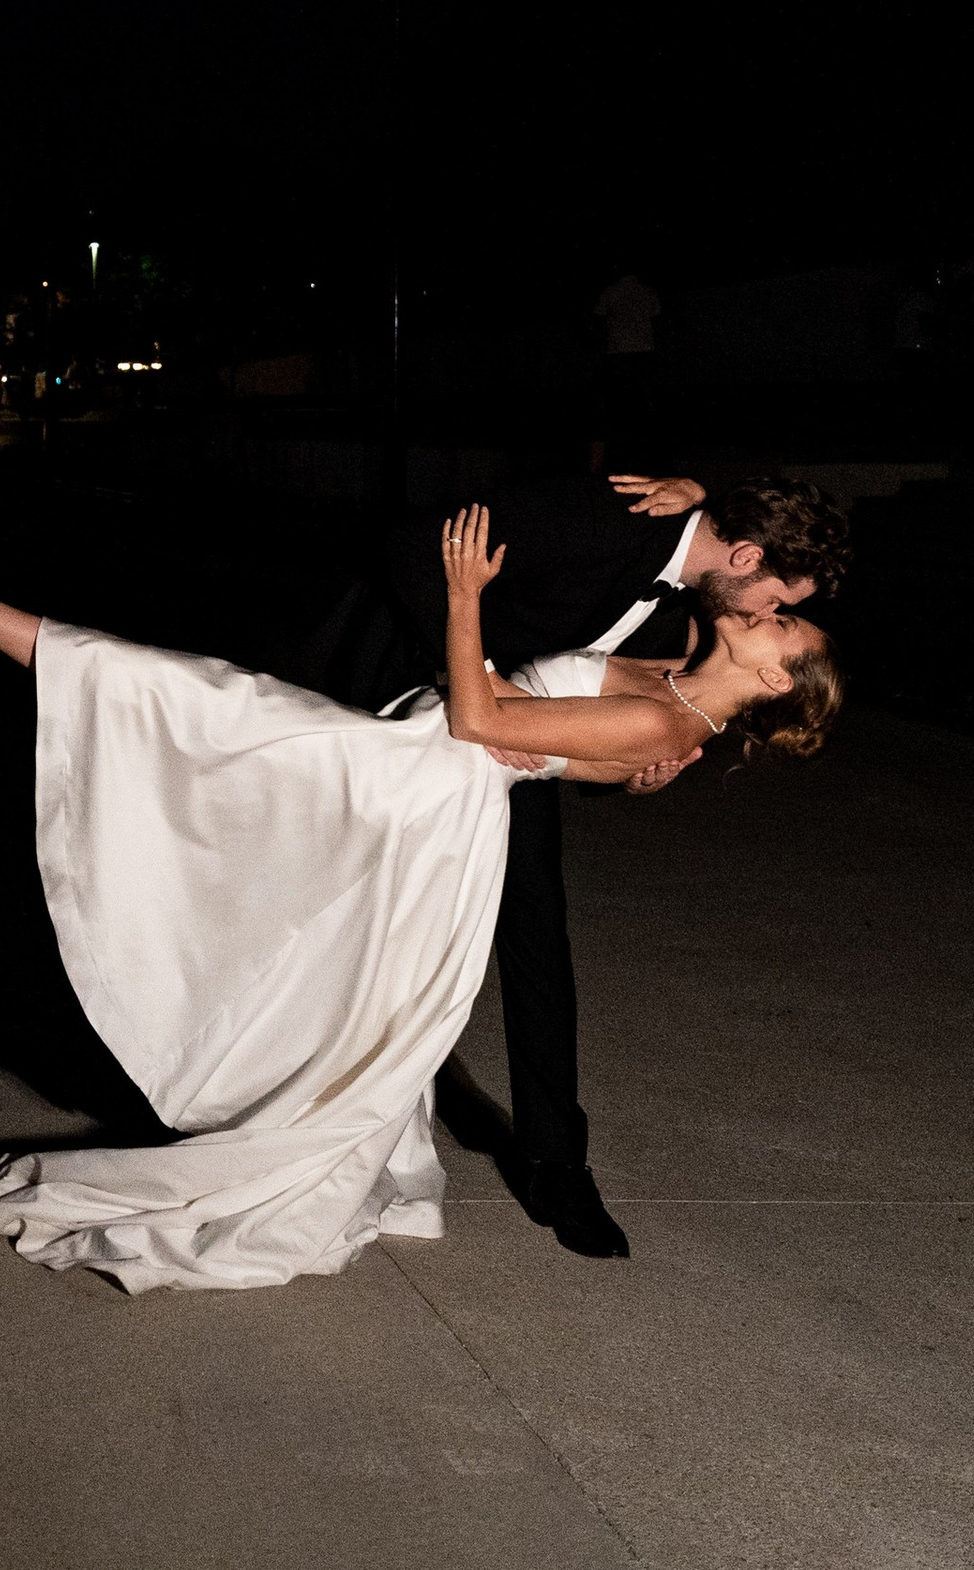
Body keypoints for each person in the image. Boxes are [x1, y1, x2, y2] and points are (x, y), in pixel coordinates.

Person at [0, 509, 836, 1295]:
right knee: (215, 708)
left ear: (775, 676)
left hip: (420, 786)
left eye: (786, 623)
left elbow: (481, 717)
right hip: (421, 768)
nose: (771, 611)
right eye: (783, 605)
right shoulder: (673, 690)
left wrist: (466, 599)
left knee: (204, 704)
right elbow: (546, 732)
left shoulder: (668, 714)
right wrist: (607, 757)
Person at [305, 468, 849, 1255]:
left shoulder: (701, 616)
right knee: (349, 924)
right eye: (781, 599)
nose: (777, 612)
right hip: (402, 701)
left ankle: (557, 1164)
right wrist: (480, 674)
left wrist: (630, 769)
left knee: (536, 934)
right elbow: (408, 547)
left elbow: (631, 713)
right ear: (745, 557)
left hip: (514, 749)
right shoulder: (600, 516)